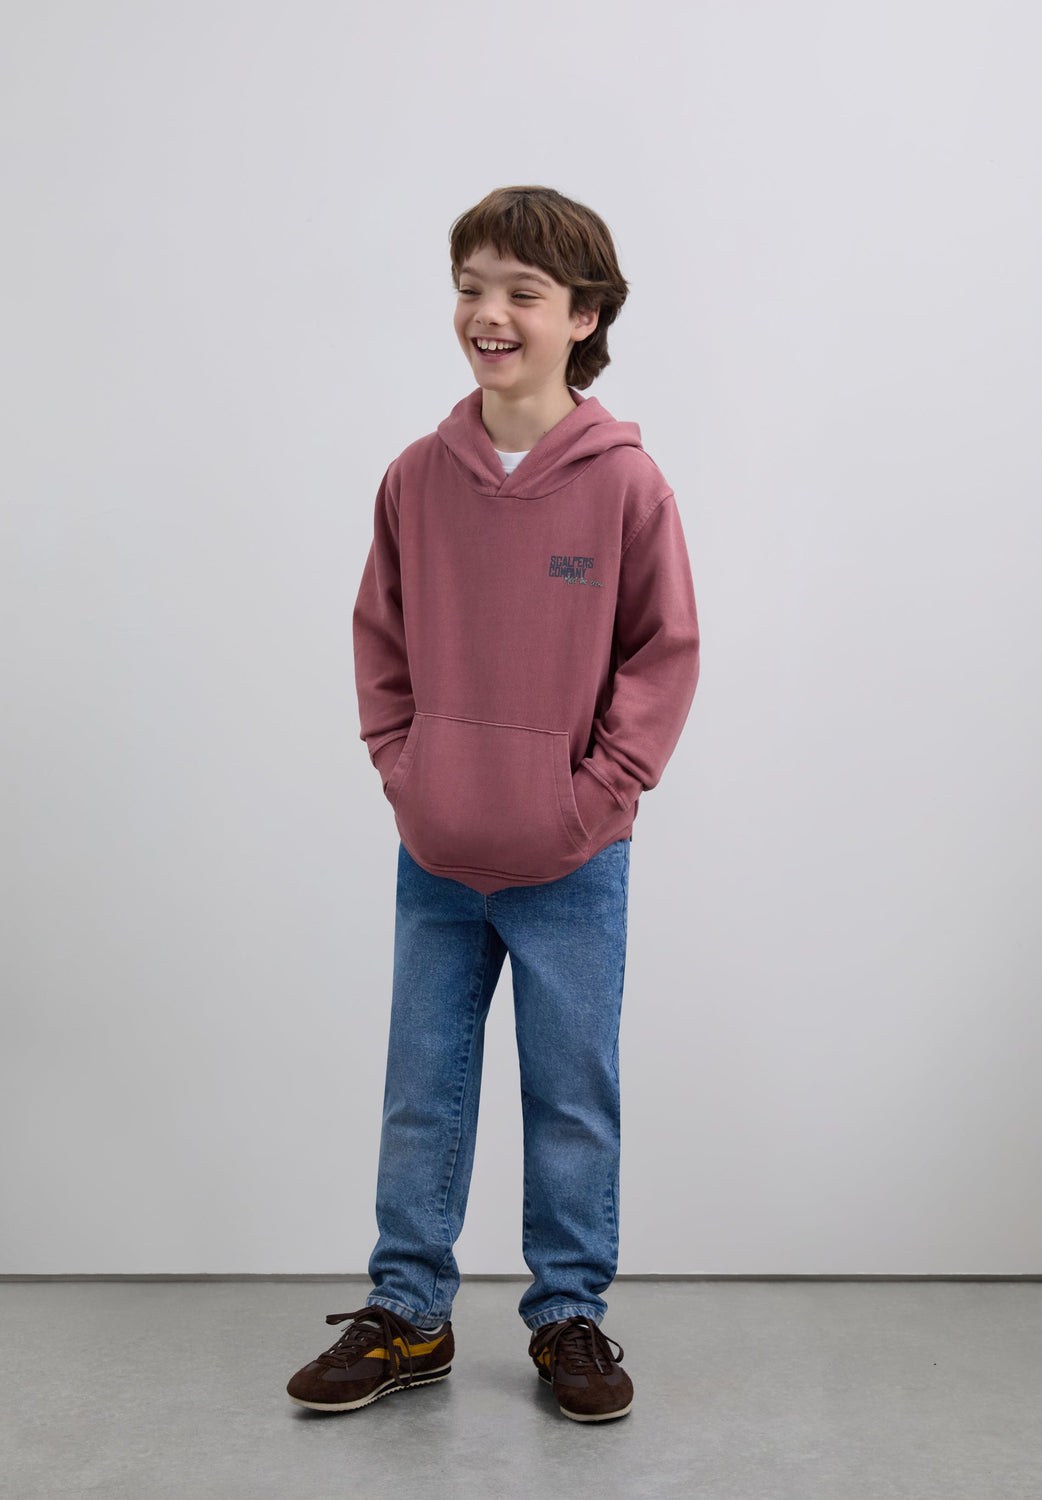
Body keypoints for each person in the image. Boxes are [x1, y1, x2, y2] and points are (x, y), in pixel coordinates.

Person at [286, 185, 700, 1423]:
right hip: (438, 853)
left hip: (574, 862)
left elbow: (662, 657)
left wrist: (591, 801)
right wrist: (407, 771)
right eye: (472, 287)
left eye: (523, 292)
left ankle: (568, 1313)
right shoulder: (417, 479)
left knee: (571, 1098)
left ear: (584, 316)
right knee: (422, 1091)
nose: (489, 313)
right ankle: (408, 1311)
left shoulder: (625, 486)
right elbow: (380, 644)